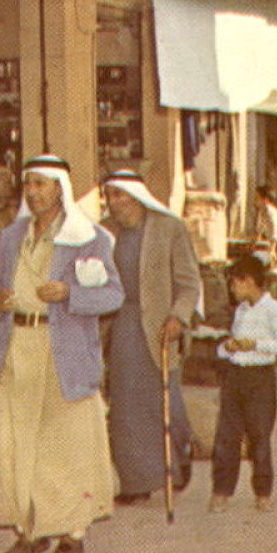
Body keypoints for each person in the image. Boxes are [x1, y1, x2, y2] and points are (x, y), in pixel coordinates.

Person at [0, 155, 123, 553]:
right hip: (15, 350)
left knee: (68, 446)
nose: (33, 191)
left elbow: (113, 295)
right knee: (15, 442)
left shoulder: (89, 237)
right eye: (29, 183)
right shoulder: (10, 237)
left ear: (60, 187)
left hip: (64, 352)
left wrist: (70, 295)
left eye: (41, 183)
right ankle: (29, 531)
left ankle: (72, 534)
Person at [98, 169, 200, 506]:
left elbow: (189, 283)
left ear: (136, 196)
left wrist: (178, 317)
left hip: (160, 325)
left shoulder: (168, 228)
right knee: (126, 404)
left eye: (119, 195)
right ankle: (136, 480)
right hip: (122, 324)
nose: (113, 203)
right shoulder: (107, 232)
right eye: (109, 195)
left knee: (165, 403)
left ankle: (181, 454)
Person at [210, 256, 277, 513]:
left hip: (260, 379)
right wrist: (228, 347)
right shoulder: (241, 310)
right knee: (227, 436)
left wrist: (255, 344)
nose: (232, 290)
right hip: (236, 376)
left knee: (260, 437)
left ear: (248, 281)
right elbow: (230, 343)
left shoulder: (273, 310)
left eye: (234, 284)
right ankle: (222, 491)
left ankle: (263, 491)